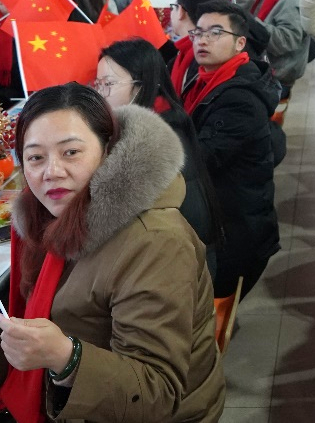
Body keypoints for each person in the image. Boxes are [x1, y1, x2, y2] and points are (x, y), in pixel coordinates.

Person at [0, 84, 224, 423]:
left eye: (71, 152)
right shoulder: (48, 220)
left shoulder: (155, 243)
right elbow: (26, 326)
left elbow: (157, 393)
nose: (52, 172)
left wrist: (67, 358)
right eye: (36, 157)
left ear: (108, 150)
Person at [179, 0, 281, 298]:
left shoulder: (239, 99)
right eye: (198, 33)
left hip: (234, 234)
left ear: (240, 43)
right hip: (225, 220)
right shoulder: (207, 79)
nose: (203, 40)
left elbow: (200, 159)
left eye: (215, 33)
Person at [94, 40, 221, 269]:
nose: (101, 94)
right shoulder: (164, 117)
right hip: (179, 253)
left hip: (182, 264)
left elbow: (105, 215)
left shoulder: (150, 140)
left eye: (109, 84)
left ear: (141, 87)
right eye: (98, 84)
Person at [233, 0, 309, 94]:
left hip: (278, 75)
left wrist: (254, 23)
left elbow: (288, 40)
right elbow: (240, 18)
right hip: (265, 67)